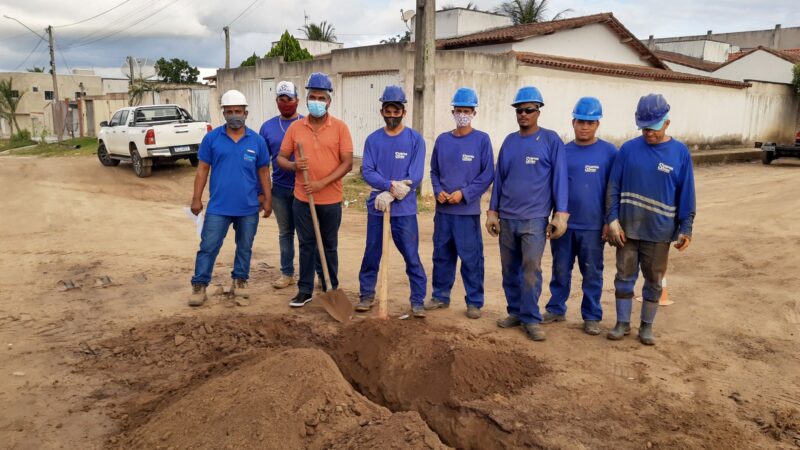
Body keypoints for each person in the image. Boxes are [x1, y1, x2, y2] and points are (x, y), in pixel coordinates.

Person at [605, 93, 696, 346]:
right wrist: (612, 219)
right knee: (623, 277)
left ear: (667, 122)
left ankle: (646, 326)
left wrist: (686, 227)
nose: (649, 133)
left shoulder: (679, 153)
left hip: (659, 232)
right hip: (627, 230)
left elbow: (686, 194)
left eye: (653, 128)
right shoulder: (628, 150)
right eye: (644, 128)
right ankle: (622, 323)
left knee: (654, 280)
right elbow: (613, 187)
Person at [486, 86, 569, 342]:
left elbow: (560, 179)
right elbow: (499, 179)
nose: (523, 114)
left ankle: (531, 318)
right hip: (507, 219)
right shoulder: (510, 142)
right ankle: (515, 312)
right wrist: (492, 212)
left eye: (529, 110)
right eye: (519, 110)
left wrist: (561, 214)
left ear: (538, 111)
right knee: (509, 269)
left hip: (534, 219)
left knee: (530, 270)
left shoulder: (550, 141)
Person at [277, 72, 354, 308]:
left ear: (329, 101)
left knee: (329, 244)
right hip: (302, 197)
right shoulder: (296, 128)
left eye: (321, 97)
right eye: (313, 96)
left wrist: (322, 183)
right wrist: (293, 165)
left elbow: (347, 163)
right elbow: (280, 157)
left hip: (331, 199)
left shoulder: (340, 128)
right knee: (306, 244)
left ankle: (331, 285)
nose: (316, 101)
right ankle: (305, 290)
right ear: (307, 98)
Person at [188, 89, 272, 307]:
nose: (234, 115)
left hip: (248, 207)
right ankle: (199, 284)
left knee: (245, 247)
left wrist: (268, 199)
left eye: (238, 111)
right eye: (230, 111)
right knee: (209, 246)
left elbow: (264, 171)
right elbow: (202, 170)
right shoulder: (212, 139)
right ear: (223, 113)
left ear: (246, 112)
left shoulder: (257, 141)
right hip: (218, 207)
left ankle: (240, 280)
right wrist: (196, 199)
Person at [542, 97, 617, 335]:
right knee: (560, 268)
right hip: (564, 226)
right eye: (580, 122)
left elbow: (613, 190)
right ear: (573, 122)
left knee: (592, 272)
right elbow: (551, 188)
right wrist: (550, 219)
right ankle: (556, 308)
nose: (584, 127)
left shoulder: (609, 153)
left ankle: (592, 316)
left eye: (590, 122)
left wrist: (609, 221)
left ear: (597, 125)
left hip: (594, 227)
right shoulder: (562, 152)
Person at [355, 85, 427, 317]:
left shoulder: (415, 139)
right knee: (372, 253)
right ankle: (366, 295)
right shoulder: (373, 140)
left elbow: (415, 175)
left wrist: (397, 190)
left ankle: (417, 301)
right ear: (382, 111)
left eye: (397, 112)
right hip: (379, 206)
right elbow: (367, 170)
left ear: (404, 112)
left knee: (411, 255)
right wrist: (387, 187)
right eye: (388, 111)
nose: (392, 116)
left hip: (404, 210)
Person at [425, 87, 494, 319]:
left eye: (467, 110)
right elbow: (434, 171)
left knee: (471, 258)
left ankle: (474, 301)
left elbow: (487, 175)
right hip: (444, 212)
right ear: (453, 111)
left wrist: (464, 194)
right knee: (442, 254)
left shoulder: (482, 140)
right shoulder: (443, 141)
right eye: (459, 110)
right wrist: (438, 191)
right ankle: (440, 295)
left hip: (467, 213)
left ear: (474, 112)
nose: (462, 114)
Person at [258, 81, 322, 290]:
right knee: (285, 232)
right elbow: (262, 165)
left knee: (310, 233)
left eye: (290, 99)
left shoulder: (307, 123)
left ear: (297, 100)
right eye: (282, 100)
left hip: (304, 188)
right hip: (280, 189)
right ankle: (287, 273)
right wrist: (263, 193)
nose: (286, 104)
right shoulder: (267, 127)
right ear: (277, 102)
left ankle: (319, 274)